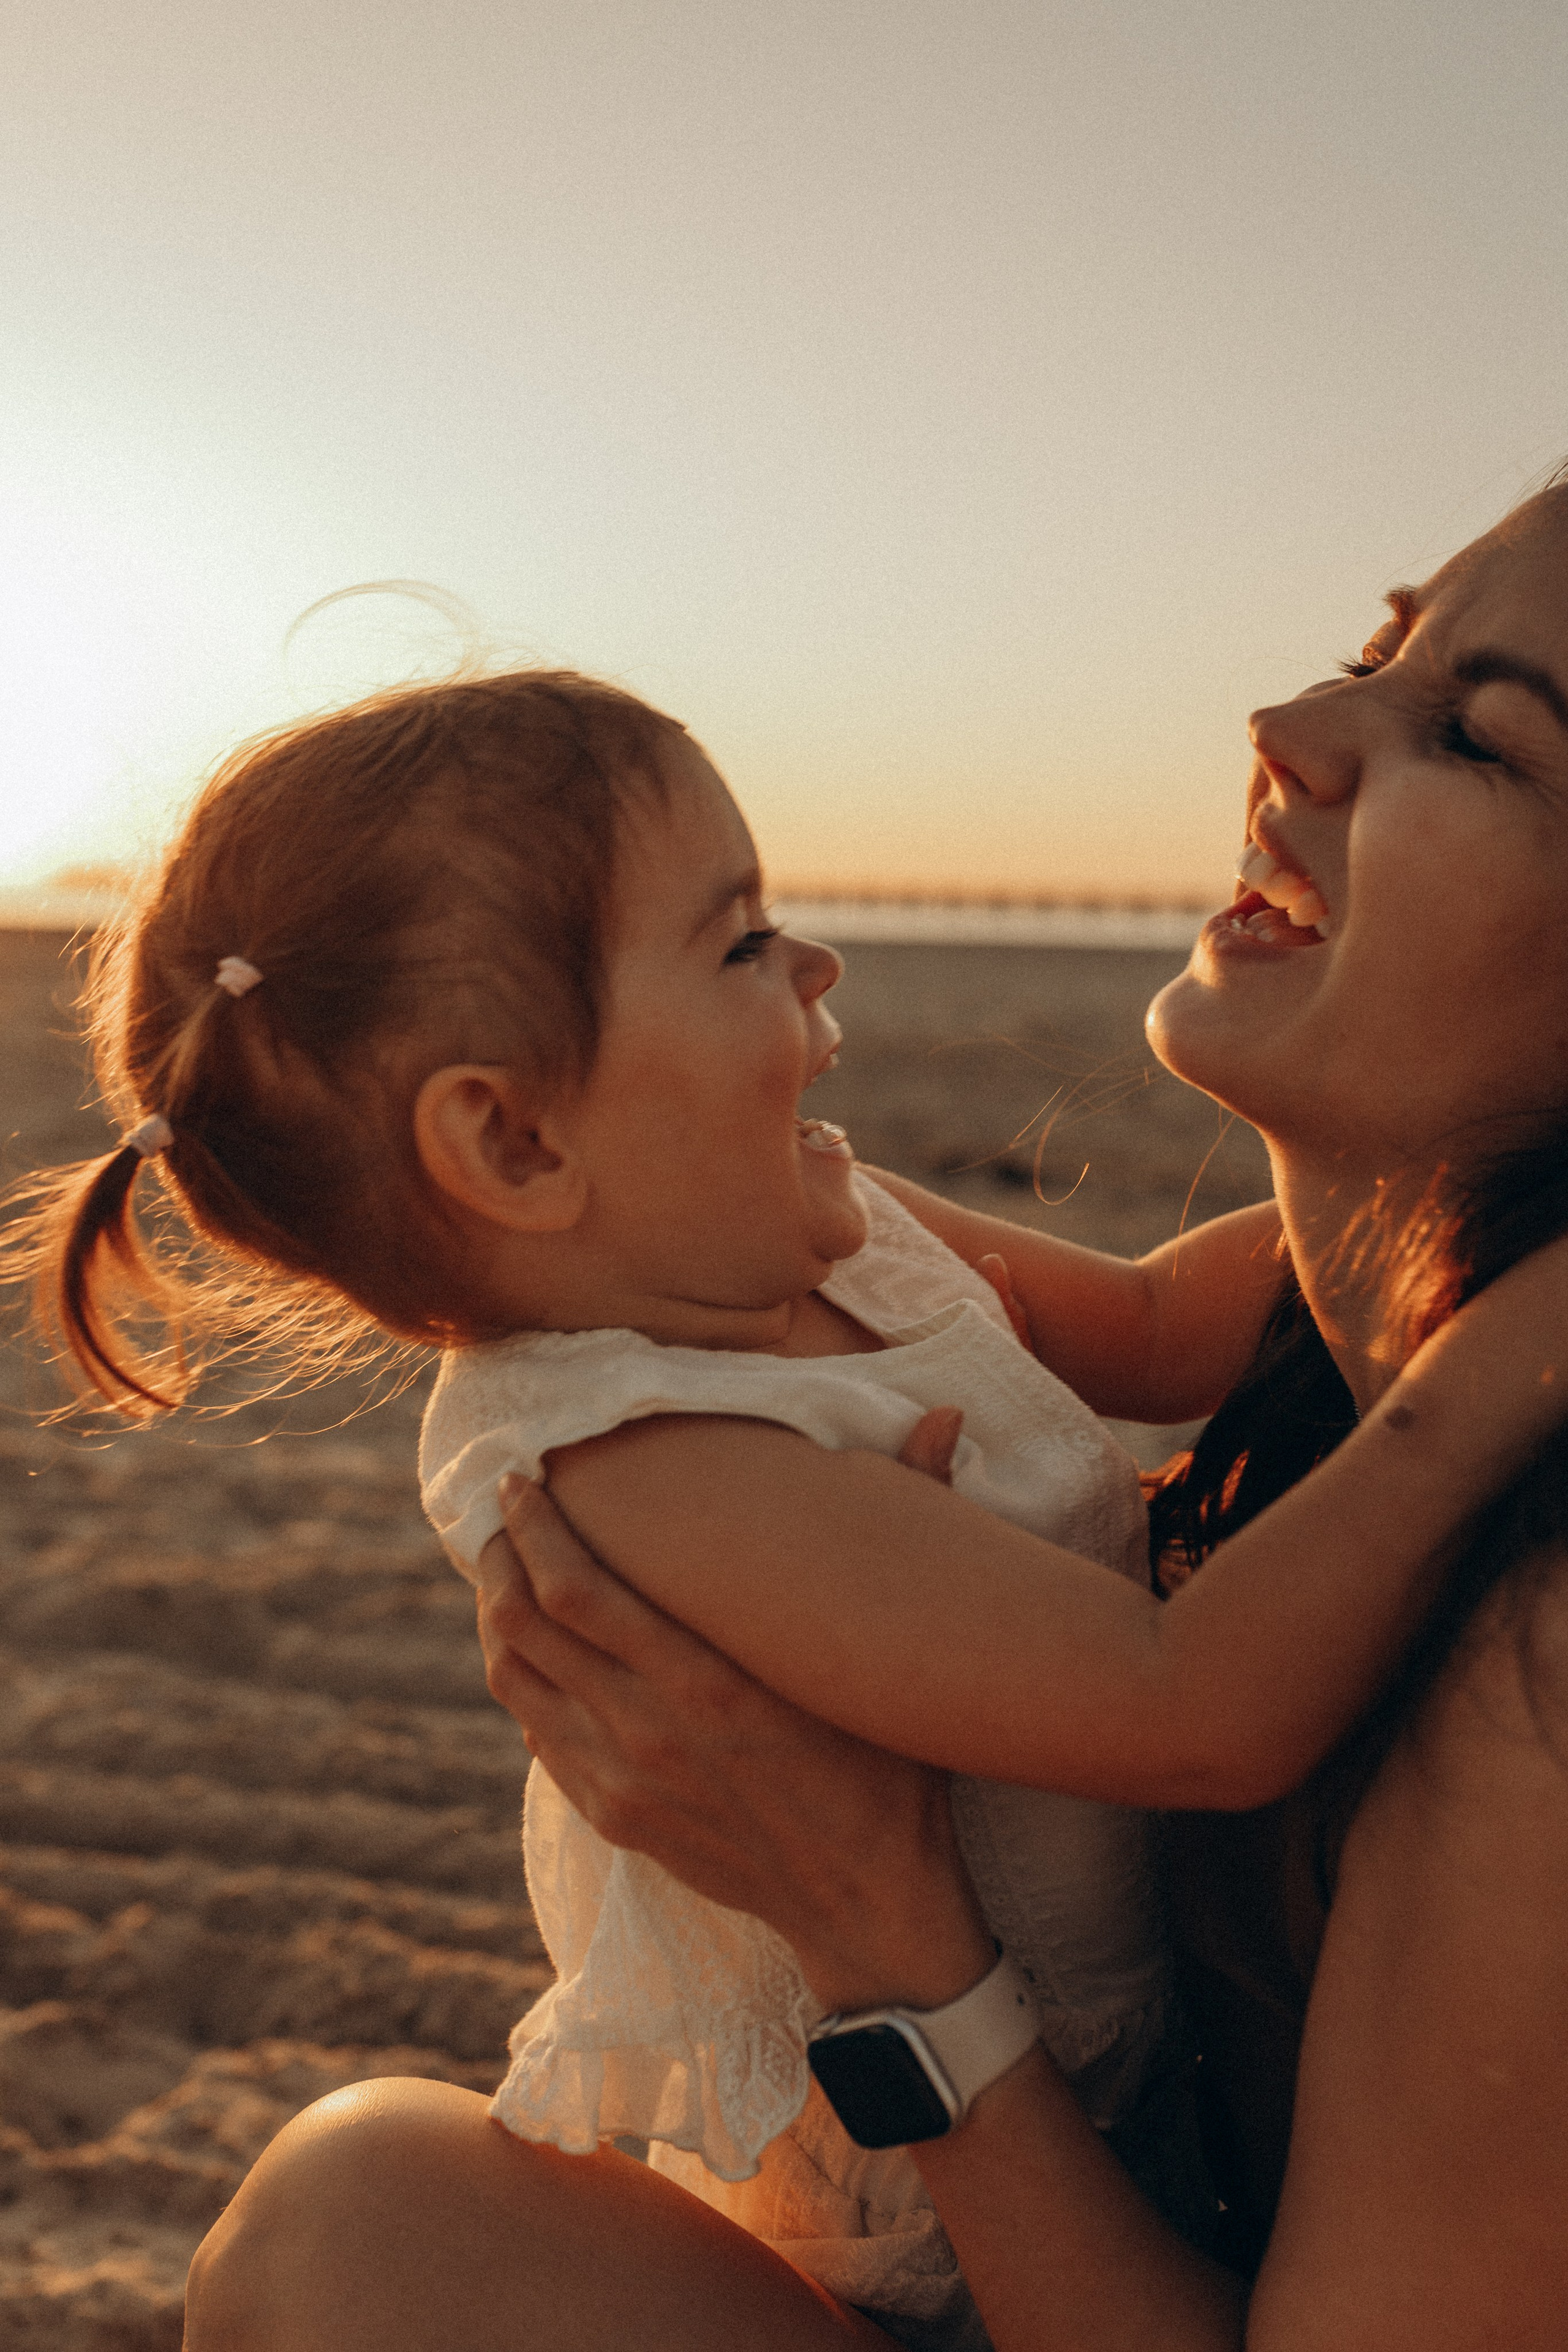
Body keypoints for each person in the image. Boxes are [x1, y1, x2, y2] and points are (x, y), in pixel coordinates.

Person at [17, 490, 1564, 2343]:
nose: (817, 968)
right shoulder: (646, 1451)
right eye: (741, 943)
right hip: (926, 2225)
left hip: (1065, 2106)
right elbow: (1193, 1705)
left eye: (1475, 734)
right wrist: (1485, 1379)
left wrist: (892, 1933)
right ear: (512, 1139)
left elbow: (1151, 1326)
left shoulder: (849, 1229)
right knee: (356, 2207)